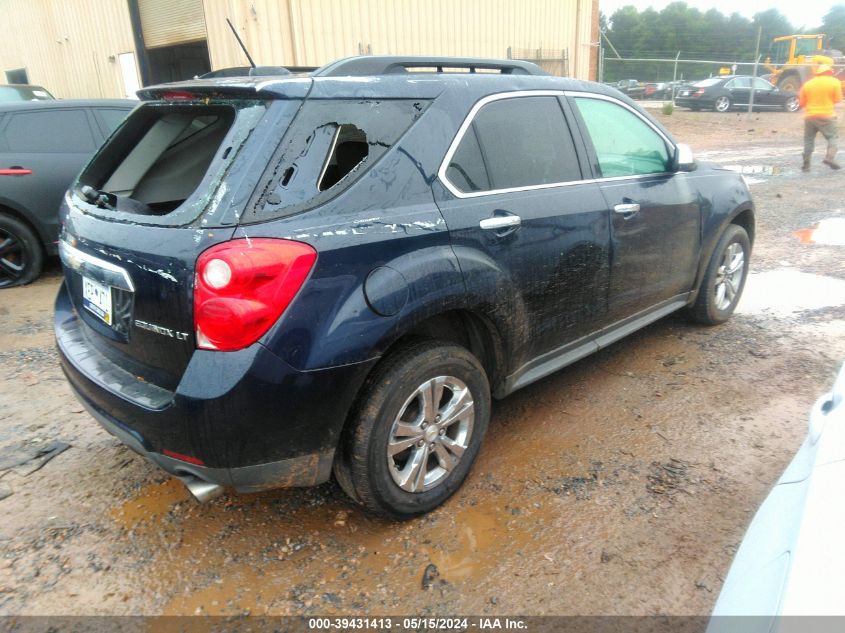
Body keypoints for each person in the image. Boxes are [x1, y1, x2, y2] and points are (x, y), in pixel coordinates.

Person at [799, 55, 843, 171]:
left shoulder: (808, 84)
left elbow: (802, 102)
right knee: (832, 137)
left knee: (808, 140)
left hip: (810, 116)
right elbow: (838, 99)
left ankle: (806, 164)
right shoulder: (835, 82)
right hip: (827, 115)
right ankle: (829, 158)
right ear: (829, 72)